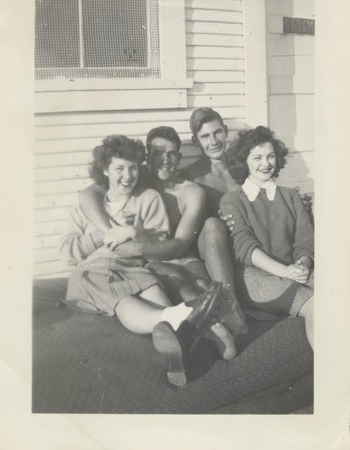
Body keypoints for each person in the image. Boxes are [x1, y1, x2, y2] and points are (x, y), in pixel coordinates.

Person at [60, 134, 236, 387]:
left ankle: (188, 350)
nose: (127, 175)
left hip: (136, 267)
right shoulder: (87, 205)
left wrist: (134, 233)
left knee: (154, 290)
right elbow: (67, 251)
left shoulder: (148, 199)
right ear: (104, 170)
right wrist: (101, 235)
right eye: (119, 168)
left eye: (133, 168)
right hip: (96, 270)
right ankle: (184, 315)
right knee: (122, 298)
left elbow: (158, 240)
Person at [220, 126, 314, 349]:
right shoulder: (232, 200)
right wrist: (285, 271)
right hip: (255, 278)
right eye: (257, 157)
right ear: (244, 161)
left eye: (270, 156)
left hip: (292, 270)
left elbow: (305, 241)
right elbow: (245, 248)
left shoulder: (291, 196)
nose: (265, 163)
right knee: (315, 305)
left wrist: (303, 263)